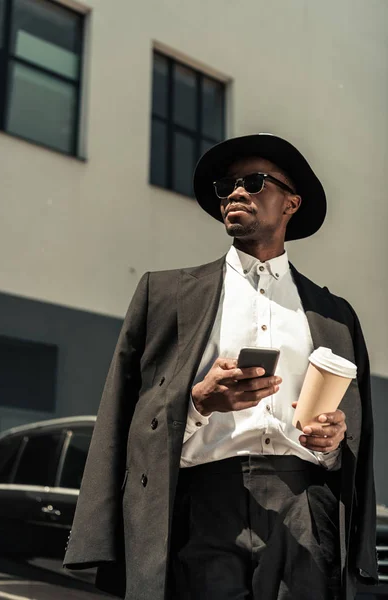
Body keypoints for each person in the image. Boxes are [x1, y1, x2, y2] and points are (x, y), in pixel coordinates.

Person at [63, 134, 378, 600]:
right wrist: (197, 402)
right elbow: (124, 418)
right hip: (204, 502)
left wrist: (331, 445)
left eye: (253, 182)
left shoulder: (334, 315)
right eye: (227, 185)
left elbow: (356, 436)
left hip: (305, 506)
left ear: (291, 203)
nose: (235, 192)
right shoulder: (165, 295)